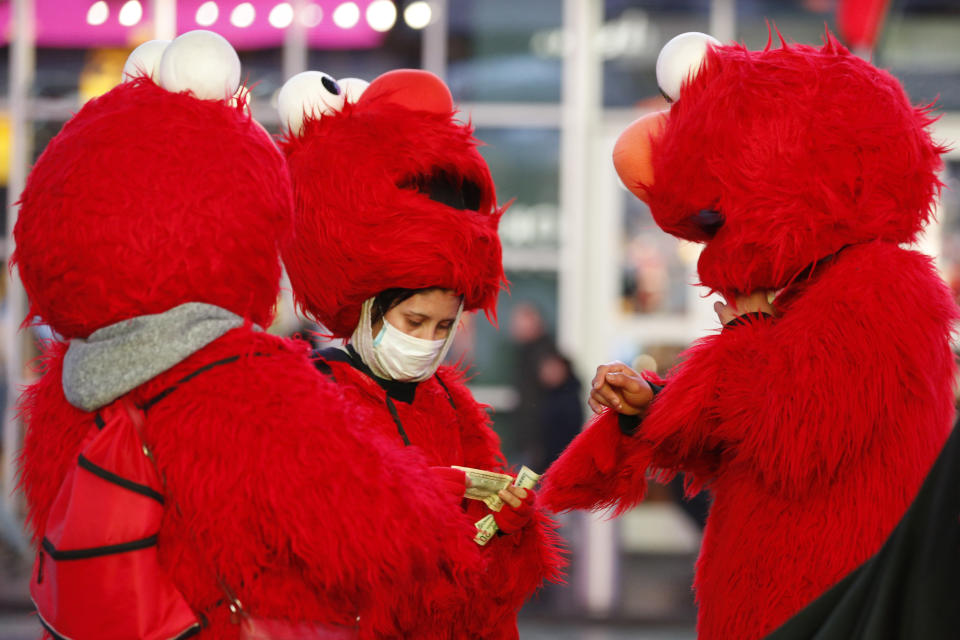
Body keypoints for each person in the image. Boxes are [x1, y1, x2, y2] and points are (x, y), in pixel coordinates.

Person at [278, 67, 565, 639]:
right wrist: (421, 496)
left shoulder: (452, 407)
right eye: (414, 321)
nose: (428, 341)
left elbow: (484, 583)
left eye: (443, 326)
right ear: (368, 310)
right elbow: (303, 542)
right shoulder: (316, 394)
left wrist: (502, 529)